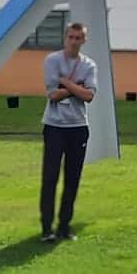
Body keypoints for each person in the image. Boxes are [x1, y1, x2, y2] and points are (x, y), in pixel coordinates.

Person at [39, 22, 98, 242]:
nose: (74, 41)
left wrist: (65, 82)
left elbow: (89, 96)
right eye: (71, 37)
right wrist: (77, 87)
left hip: (78, 127)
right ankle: (47, 228)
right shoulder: (52, 60)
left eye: (78, 38)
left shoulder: (89, 65)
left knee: (72, 179)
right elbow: (52, 95)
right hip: (54, 126)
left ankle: (64, 226)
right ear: (65, 38)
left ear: (84, 40)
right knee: (50, 177)